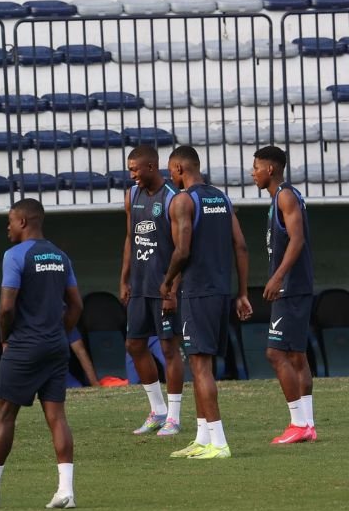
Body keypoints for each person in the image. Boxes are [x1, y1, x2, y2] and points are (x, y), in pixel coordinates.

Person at [0, 198, 83, 510]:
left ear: (23, 222)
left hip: (25, 345)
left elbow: (6, 308)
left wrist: (5, 339)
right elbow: (77, 305)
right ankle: (65, 491)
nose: (8, 228)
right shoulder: (60, 256)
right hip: (55, 346)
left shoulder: (14, 256)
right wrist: (59, 333)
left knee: (4, 414)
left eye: (10, 221)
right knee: (57, 416)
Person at [160, 146, 252, 460]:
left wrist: (167, 281)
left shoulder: (184, 200)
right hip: (221, 291)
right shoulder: (222, 198)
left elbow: (182, 251)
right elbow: (241, 246)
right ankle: (202, 438)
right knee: (202, 365)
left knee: (200, 367)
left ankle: (219, 442)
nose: (170, 176)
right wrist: (242, 293)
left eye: (170, 171)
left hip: (197, 291)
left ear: (179, 168)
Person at [252, 146, 318, 444]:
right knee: (296, 355)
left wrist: (277, 277)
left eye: (256, 167)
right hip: (295, 286)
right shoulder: (281, 197)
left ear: (270, 169)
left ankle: (298, 423)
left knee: (275, 353)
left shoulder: (286, 196)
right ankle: (308, 425)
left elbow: (297, 239)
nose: (252, 173)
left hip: (291, 288)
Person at [120, 145, 186, 436]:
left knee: (169, 348)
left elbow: (182, 249)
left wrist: (172, 290)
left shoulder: (172, 197)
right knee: (134, 344)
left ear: (151, 167)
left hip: (164, 287)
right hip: (139, 285)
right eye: (130, 170)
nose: (131, 174)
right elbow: (130, 237)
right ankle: (157, 410)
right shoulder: (132, 195)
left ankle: (174, 417)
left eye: (135, 169)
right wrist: (124, 279)